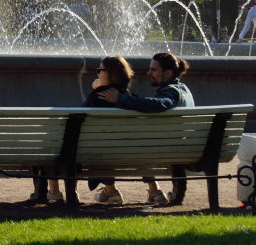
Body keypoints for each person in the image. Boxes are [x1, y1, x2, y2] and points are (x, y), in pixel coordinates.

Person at [96, 51, 194, 206]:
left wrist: (120, 99)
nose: (148, 73)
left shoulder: (171, 92)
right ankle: (162, 192)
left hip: (167, 149)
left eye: (153, 70)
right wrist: (129, 98)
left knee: (110, 142)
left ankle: (110, 191)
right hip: (184, 146)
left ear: (168, 73)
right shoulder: (184, 90)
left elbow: (161, 104)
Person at [42, 55, 133, 204]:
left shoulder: (97, 97)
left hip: (90, 153)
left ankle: (54, 192)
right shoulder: (129, 99)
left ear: (111, 74)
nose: (97, 73)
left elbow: (76, 119)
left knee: (57, 142)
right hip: (121, 151)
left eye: (100, 70)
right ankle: (111, 192)